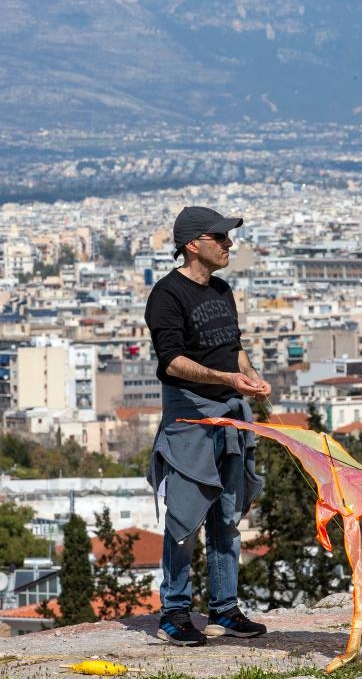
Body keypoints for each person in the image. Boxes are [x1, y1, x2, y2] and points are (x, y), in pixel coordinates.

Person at [145, 206, 271, 646]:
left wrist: (249, 378)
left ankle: (224, 609)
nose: (228, 244)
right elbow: (173, 361)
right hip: (189, 416)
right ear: (194, 243)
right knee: (185, 516)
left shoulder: (221, 290)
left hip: (230, 412)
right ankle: (174, 613)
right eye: (220, 238)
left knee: (227, 516)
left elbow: (231, 348)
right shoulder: (166, 294)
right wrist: (226, 380)